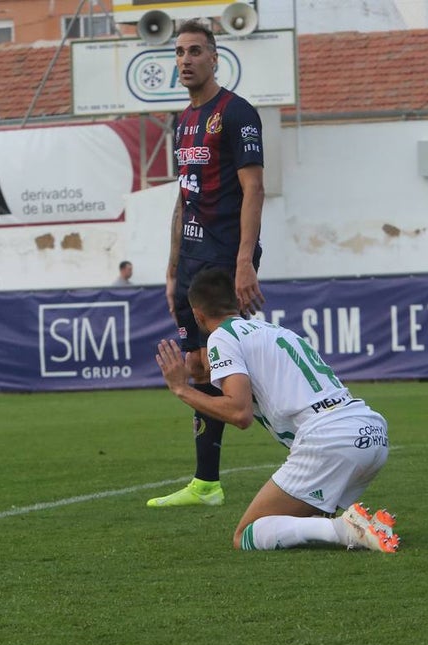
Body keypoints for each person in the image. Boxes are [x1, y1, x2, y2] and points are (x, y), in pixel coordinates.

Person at [154, 268, 398, 552]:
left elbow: (239, 413)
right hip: (370, 431)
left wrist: (181, 388)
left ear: (197, 315)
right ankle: (365, 527)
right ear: (238, 303)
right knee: (298, 522)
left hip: (330, 439)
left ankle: (345, 529)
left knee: (246, 535)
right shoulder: (273, 330)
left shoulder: (221, 336)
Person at [147, 19, 267, 508]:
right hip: (192, 258)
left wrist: (245, 261)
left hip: (224, 255)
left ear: (215, 58)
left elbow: (254, 188)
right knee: (197, 362)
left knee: (229, 359)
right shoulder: (183, 121)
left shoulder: (236, 112)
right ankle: (207, 484)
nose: (186, 60)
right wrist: (172, 269)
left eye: (195, 51)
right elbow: (184, 197)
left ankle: (308, 435)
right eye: (179, 52)